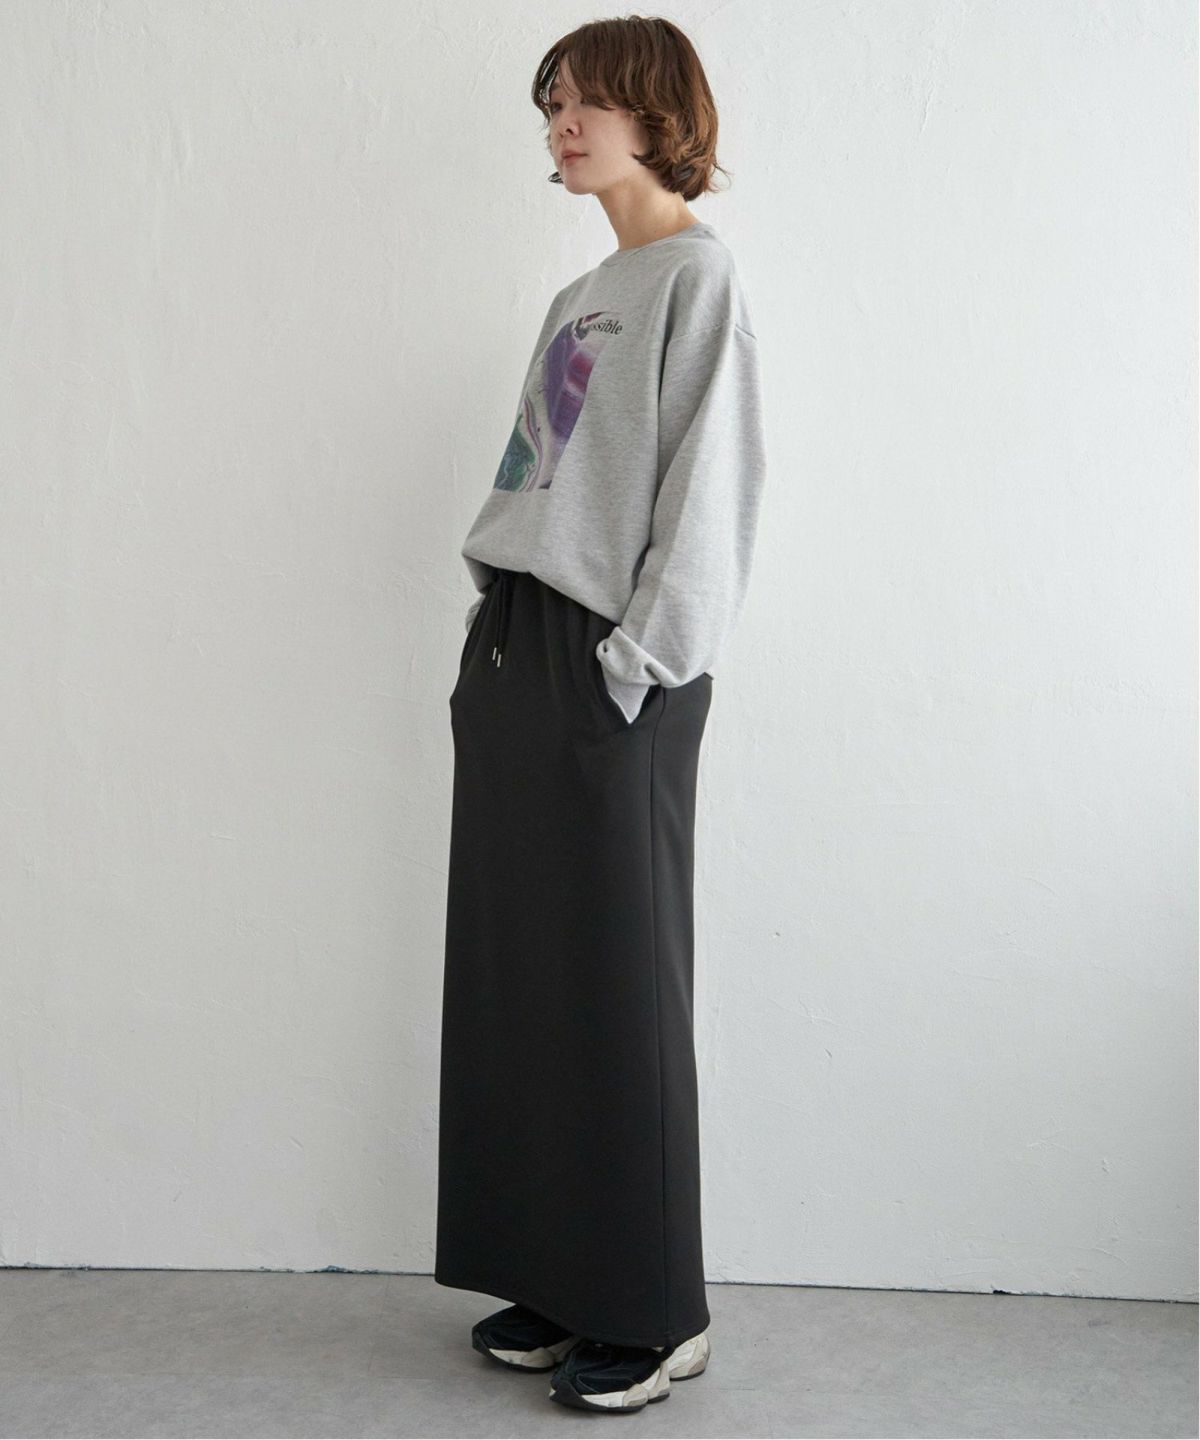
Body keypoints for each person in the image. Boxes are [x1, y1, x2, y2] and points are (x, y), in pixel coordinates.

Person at [433, 15, 767, 1415]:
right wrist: (489, 636)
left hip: (614, 661)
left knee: (622, 980)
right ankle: (563, 1278)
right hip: (522, 647)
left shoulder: (698, 276)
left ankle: (657, 1309)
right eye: (552, 106)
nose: (561, 127)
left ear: (655, 112)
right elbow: (534, 468)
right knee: (525, 976)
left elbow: (710, 492)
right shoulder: (581, 295)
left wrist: (639, 662)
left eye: (585, 103)